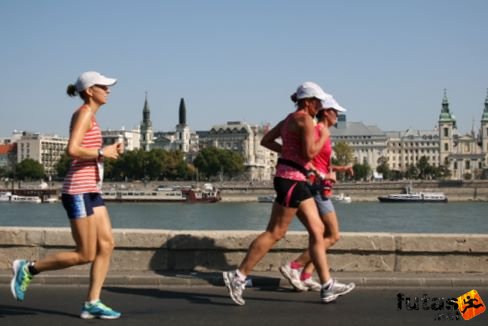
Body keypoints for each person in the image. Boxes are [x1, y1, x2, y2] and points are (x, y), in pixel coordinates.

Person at [223, 82, 350, 305]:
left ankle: (327, 285)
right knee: (275, 232)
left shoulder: (288, 119)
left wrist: (290, 155)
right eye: (318, 102)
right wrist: (324, 133)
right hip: (291, 182)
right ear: (309, 101)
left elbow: (266, 141)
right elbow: (311, 151)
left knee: (318, 230)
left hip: (294, 179)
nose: (320, 107)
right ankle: (239, 276)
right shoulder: (305, 120)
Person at [10, 71, 123, 320]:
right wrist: (102, 153)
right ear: (90, 90)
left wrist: (108, 151)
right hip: (78, 191)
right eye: (104, 86)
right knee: (86, 253)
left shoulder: (91, 116)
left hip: (92, 191)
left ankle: (92, 302)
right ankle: (28, 268)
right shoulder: (84, 113)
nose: (109, 90)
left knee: (107, 245)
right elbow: (72, 149)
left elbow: (89, 150)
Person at [279, 95, 356, 298]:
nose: (338, 115)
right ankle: (295, 266)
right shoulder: (319, 130)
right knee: (331, 235)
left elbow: (322, 162)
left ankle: (306, 274)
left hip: (321, 186)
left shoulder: (323, 131)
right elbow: (309, 156)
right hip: (317, 188)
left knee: (321, 235)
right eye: (335, 111)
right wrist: (322, 175)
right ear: (326, 112)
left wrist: (338, 169)